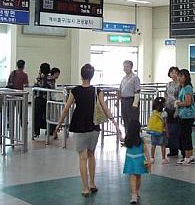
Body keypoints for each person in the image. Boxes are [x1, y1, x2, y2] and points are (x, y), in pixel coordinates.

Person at [54, 64, 119, 197]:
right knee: (91, 154)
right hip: (94, 126)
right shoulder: (97, 91)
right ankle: (92, 184)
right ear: (92, 76)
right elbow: (105, 108)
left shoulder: (75, 91)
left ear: (81, 75)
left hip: (79, 126)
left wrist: (59, 124)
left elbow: (66, 109)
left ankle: (85, 188)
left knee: (82, 157)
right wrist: (114, 122)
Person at [121, 119, 151, 204]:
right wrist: (148, 160)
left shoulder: (127, 139)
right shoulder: (141, 140)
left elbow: (122, 141)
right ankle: (136, 192)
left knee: (132, 177)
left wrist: (119, 134)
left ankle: (134, 194)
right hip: (139, 160)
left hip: (130, 160)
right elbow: (146, 150)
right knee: (138, 176)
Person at [174, 69, 195, 166]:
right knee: (187, 136)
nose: (179, 78)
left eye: (181, 76)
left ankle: (187, 157)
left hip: (187, 116)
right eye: (179, 75)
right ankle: (190, 157)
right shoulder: (182, 87)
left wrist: (178, 103)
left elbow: (188, 102)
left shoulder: (187, 88)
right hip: (184, 115)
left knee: (185, 136)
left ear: (186, 77)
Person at [118, 60, 141, 133]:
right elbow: (120, 90)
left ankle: (134, 139)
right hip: (123, 100)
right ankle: (127, 138)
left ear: (131, 67)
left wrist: (135, 103)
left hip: (131, 100)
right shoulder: (123, 78)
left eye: (127, 66)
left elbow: (137, 91)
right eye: (124, 66)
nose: (126, 68)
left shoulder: (135, 77)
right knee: (125, 119)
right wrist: (117, 101)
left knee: (132, 121)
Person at [165, 66, 182, 157]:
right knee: (169, 129)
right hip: (168, 108)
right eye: (172, 73)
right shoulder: (168, 84)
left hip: (177, 108)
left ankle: (178, 148)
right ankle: (172, 149)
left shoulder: (180, 84)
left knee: (176, 129)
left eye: (175, 72)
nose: (173, 74)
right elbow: (166, 94)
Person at [147, 96, 168, 164]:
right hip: (162, 131)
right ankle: (163, 159)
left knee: (153, 144)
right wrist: (167, 132)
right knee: (163, 145)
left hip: (153, 131)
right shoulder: (164, 113)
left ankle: (152, 158)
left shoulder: (154, 112)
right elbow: (165, 123)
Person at [33, 62, 52, 137]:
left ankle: (36, 132)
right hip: (48, 99)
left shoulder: (39, 78)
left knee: (37, 115)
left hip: (39, 99)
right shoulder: (51, 79)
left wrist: (39, 76)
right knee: (48, 115)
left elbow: (36, 85)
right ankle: (49, 130)